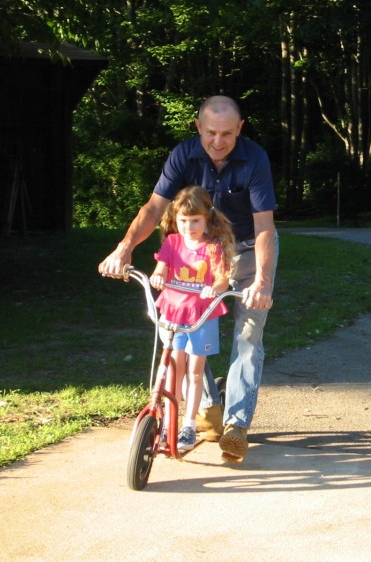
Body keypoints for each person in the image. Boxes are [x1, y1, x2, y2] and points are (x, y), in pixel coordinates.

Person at [99, 95, 278, 463]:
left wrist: (260, 280)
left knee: (248, 335)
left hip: (245, 250)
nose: (218, 141)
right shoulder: (183, 155)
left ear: (239, 129)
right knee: (185, 326)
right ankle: (209, 408)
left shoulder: (255, 158)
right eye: (210, 132)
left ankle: (236, 426)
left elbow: (263, 226)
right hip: (197, 255)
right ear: (198, 127)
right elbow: (153, 208)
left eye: (227, 133)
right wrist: (124, 248)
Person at [149, 186, 235, 451]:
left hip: (201, 315)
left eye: (195, 221)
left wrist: (215, 288)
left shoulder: (212, 247)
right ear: (177, 220)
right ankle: (168, 424)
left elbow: (222, 278)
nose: (189, 227)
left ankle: (188, 423)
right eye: (183, 221)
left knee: (195, 372)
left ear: (207, 218)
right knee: (174, 370)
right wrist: (159, 276)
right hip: (174, 313)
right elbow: (162, 266)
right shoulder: (173, 242)